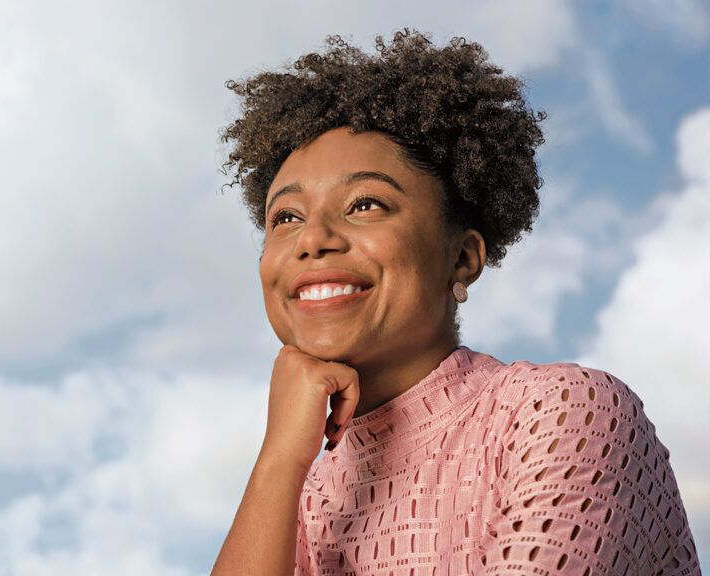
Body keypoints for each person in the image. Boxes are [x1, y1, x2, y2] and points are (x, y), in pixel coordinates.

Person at [210, 30, 700, 575]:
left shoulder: (563, 413)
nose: (312, 239)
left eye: (365, 204)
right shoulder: (305, 494)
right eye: (287, 218)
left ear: (463, 258)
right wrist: (278, 462)